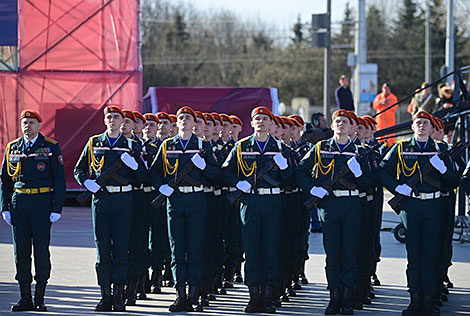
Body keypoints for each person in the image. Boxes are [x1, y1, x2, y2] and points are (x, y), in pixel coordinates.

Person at [379, 110, 459, 316]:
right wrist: (397, 188)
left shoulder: (441, 149)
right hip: (411, 206)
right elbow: (382, 171)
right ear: (412, 127)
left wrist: (443, 170)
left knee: (431, 254)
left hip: (434, 206)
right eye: (418, 123)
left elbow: (453, 181)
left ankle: (429, 301)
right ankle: (415, 300)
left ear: (432, 128)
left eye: (425, 123)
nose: (422, 126)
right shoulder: (401, 148)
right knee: (414, 255)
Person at [296, 109, 372, 315]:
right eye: (337, 121)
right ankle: (334, 297)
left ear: (351, 127)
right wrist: (312, 188)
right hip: (329, 206)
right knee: (333, 254)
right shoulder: (321, 148)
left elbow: (369, 184)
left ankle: (347, 298)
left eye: (345, 121)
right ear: (332, 125)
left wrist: (359, 172)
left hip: (351, 205)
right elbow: (300, 171)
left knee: (349, 253)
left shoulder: (360, 150)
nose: (340, 124)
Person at [74, 105, 147, 312]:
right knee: (103, 248)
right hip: (101, 200)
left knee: (121, 247)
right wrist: (87, 183)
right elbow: (79, 169)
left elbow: (143, 176)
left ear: (122, 121)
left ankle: (118, 295)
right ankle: (104, 294)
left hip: (124, 198)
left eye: (116, 117)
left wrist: (134, 165)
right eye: (109, 117)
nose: (113, 121)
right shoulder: (94, 142)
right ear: (105, 120)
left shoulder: (132, 145)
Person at [222, 106, 293, 313]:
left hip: (273, 203)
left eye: (265, 119)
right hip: (250, 202)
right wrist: (238, 183)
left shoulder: (280, 148)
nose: (261, 122)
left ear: (271, 124)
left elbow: (290, 179)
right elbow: (226, 171)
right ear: (251, 123)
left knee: (271, 249)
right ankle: (253, 296)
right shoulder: (242, 146)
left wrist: (285, 167)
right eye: (257, 119)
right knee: (252, 250)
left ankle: (268, 296)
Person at [150, 106, 220, 312]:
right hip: (175, 200)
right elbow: (154, 172)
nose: (184, 121)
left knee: (195, 247)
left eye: (188, 118)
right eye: (181, 118)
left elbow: (217, 175)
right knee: (177, 248)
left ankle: (194, 294)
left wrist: (204, 167)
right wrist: (161, 186)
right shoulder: (167, 146)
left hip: (197, 198)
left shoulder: (203, 146)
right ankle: (180, 293)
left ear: (195, 124)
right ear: (176, 123)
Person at [0, 110, 66, 312]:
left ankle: (40, 297)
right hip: (19, 202)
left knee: (40, 250)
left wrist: (56, 207)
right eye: (24, 122)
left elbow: (59, 179)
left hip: (41, 201)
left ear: (39, 125)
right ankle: (24, 297)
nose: (27, 126)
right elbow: (5, 180)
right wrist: (5, 207)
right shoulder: (13, 147)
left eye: (31, 122)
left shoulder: (50, 147)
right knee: (21, 251)